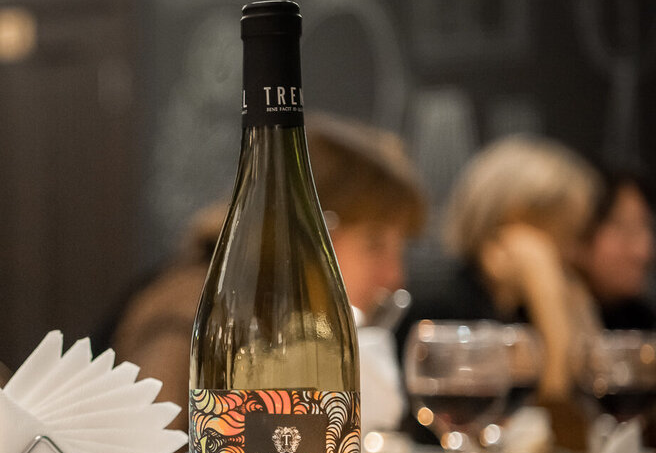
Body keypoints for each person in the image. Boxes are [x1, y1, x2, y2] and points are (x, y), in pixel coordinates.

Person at [110, 113, 426, 434]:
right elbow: (149, 439)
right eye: (375, 244)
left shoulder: (289, 319)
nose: (395, 276)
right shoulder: (197, 306)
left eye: (400, 249)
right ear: (301, 227)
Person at [404, 136, 602, 408]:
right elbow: (556, 406)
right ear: (516, 219)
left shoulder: (519, 308)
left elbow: (586, 409)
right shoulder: (441, 303)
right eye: (566, 233)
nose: (573, 253)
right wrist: (546, 293)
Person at [577, 170, 656, 331]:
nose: (643, 252)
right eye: (627, 230)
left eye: (647, 230)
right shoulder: (530, 315)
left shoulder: (641, 319)